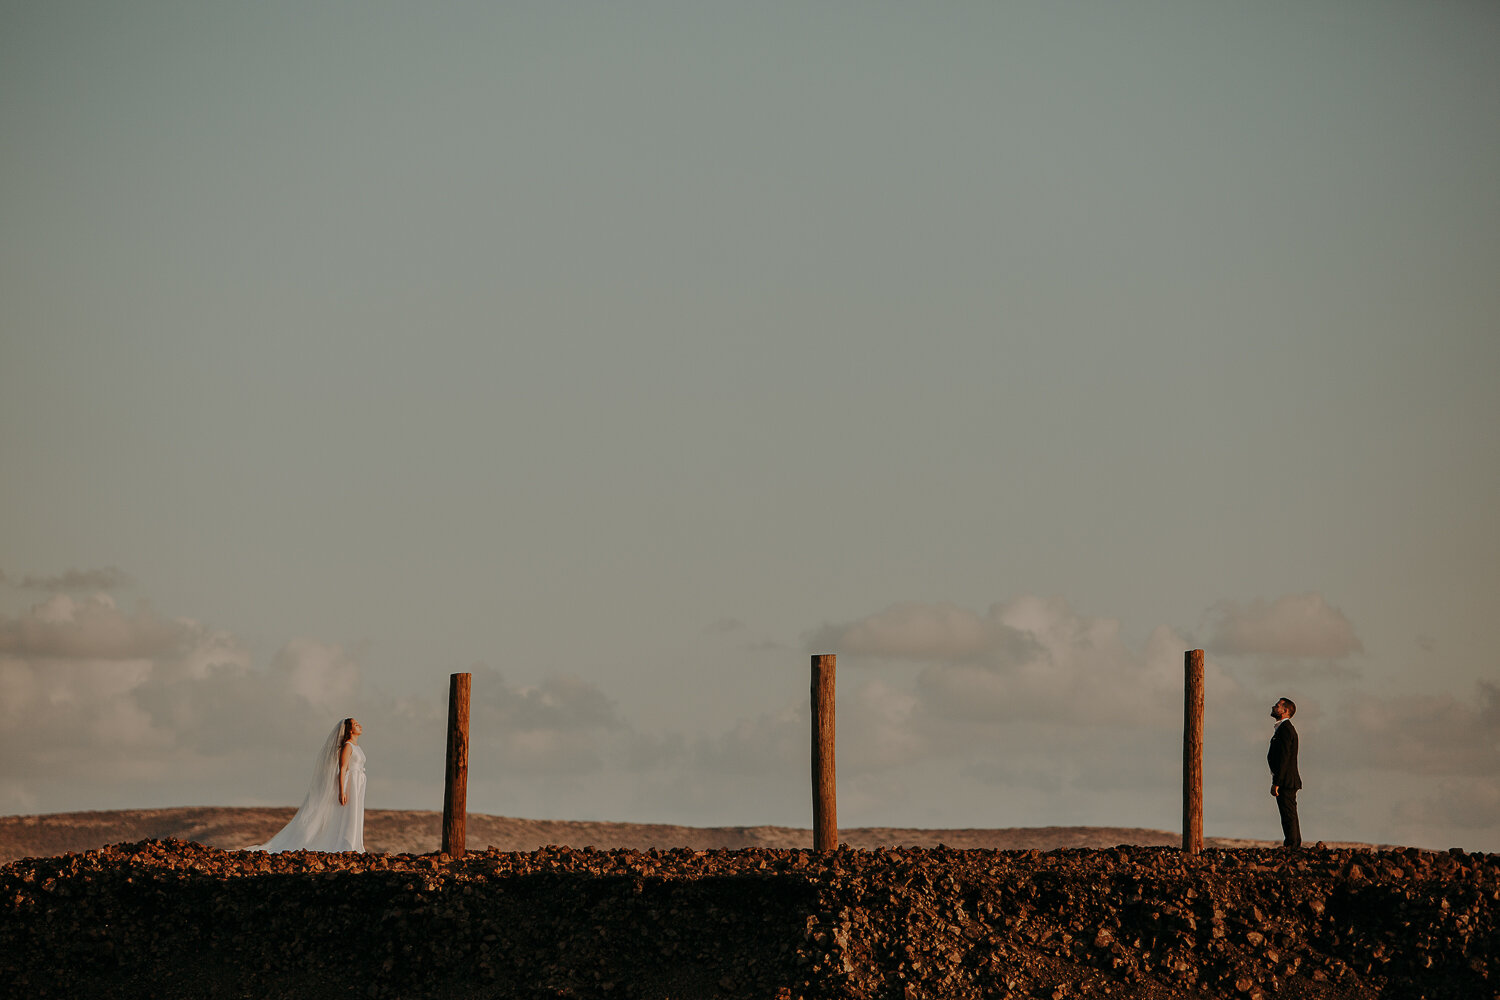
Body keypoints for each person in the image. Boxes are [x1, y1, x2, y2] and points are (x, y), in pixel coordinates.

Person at [252, 717, 366, 853]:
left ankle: (352, 844)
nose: (359, 725)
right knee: (347, 813)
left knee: (354, 812)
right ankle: (346, 844)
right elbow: (342, 768)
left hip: (358, 782)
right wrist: (342, 791)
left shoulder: (356, 747)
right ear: (349, 730)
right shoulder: (348, 746)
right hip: (349, 782)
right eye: (355, 724)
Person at [1267, 697, 1301, 849]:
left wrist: (1277, 782)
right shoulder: (1282, 729)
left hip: (1286, 780)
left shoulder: (1286, 729)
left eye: (1278, 705)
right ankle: (1292, 843)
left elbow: (1284, 758)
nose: (1274, 707)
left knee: (1288, 814)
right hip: (1285, 779)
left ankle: (1292, 845)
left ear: (1285, 711)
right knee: (1287, 813)